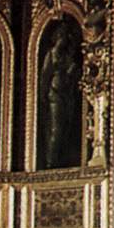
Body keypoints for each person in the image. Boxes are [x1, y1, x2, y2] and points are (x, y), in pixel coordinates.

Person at [39, 23, 79, 168]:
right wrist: (43, 93)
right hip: (54, 95)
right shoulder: (51, 54)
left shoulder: (67, 57)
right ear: (56, 38)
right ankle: (51, 162)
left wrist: (71, 71)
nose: (63, 40)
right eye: (61, 36)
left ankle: (59, 160)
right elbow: (45, 75)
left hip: (66, 95)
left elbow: (72, 77)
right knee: (56, 129)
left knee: (65, 129)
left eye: (65, 37)